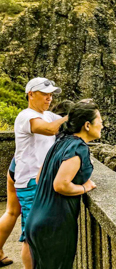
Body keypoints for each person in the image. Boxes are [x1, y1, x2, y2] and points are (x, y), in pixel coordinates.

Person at [26, 102, 101, 269]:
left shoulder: (60, 141)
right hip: (54, 226)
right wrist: (84, 188)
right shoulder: (78, 148)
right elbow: (60, 185)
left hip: (36, 220)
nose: (102, 124)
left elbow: (39, 178)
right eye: (100, 120)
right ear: (87, 125)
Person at [0, 99, 74, 266]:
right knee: (31, 231)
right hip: (29, 177)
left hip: (15, 169)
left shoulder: (43, 118)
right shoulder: (52, 130)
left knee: (11, 212)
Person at [13, 78, 67, 269]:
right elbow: (48, 129)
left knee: (42, 232)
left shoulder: (47, 115)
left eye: (51, 94)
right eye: (45, 94)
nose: (49, 98)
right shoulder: (26, 116)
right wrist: (71, 116)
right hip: (30, 184)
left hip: (41, 182)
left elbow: (59, 124)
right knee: (32, 235)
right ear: (31, 94)